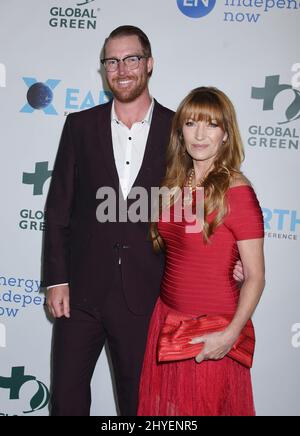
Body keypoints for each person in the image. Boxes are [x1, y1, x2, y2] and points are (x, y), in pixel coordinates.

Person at [43, 26, 244, 416]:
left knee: (141, 406)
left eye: (131, 59)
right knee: (66, 401)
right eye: (112, 61)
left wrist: (228, 258)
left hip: (148, 295)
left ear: (149, 64)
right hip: (79, 293)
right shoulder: (79, 126)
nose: (122, 69)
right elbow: (58, 210)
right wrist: (56, 278)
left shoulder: (180, 130)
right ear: (104, 69)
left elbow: (205, 198)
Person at [138, 87, 265, 417]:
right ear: (180, 130)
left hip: (212, 328)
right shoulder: (176, 183)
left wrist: (229, 335)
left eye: (211, 125)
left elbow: (255, 276)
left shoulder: (237, 192)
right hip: (167, 317)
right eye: (191, 123)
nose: (199, 134)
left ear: (226, 134)